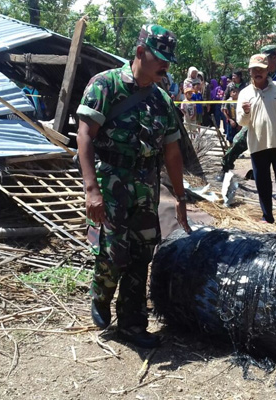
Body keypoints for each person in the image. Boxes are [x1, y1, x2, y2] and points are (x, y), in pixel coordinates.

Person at [76, 24, 190, 349]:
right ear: (141, 52)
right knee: (113, 252)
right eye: (160, 57)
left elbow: (171, 151)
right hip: (111, 182)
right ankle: (100, 293)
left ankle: (131, 323)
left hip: (146, 187)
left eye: (169, 59)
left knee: (141, 254)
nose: (166, 65)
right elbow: (84, 135)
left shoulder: (162, 100)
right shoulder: (105, 85)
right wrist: (91, 190)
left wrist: (180, 196)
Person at [236, 54, 276, 228]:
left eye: (261, 69)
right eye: (254, 69)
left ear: (267, 70)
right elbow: (241, 122)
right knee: (262, 182)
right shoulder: (244, 93)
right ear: (250, 71)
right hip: (258, 145)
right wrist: (246, 112)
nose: (258, 72)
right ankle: (267, 216)